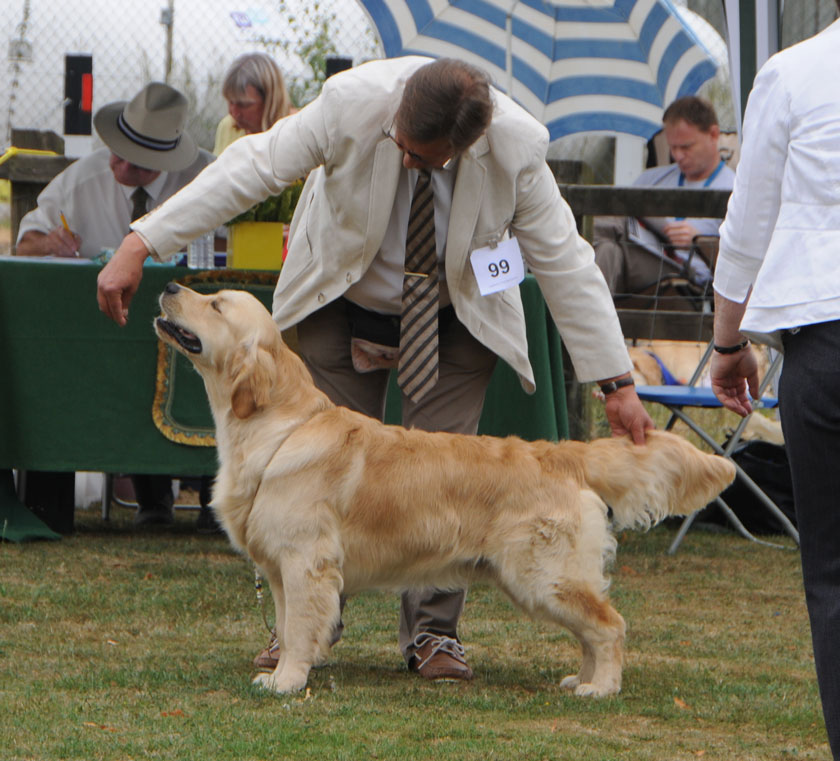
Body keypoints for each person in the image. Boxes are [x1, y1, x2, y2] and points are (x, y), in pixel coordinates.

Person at [96, 56, 654, 681]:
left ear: (464, 145)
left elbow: (566, 262)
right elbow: (248, 168)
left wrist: (617, 382)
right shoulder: (348, 104)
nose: (407, 161)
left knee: (450, 480)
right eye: (401, 145)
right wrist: (141, 241)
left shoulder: (517, 146)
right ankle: (306, 635)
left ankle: (434, 636)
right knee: (310, 486)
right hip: (343, 298)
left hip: (455, 314)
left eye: (424, 158)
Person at [709, 14, 840, 758]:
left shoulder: (793, 74)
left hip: (827, 339)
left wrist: (729, 341)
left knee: (833, 568)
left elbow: (749, 221)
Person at [17, 81, 214, 528]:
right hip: (110, 329)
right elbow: (23, 243)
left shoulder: (209, 179)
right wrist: (47, 242)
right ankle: (150, 498)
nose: (119, 166)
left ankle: (213, 499)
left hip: (194, 320)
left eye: (138, 164)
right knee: (125, 367)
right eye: (116, 152)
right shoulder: (83, 178)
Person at [593, 96, 735, 300]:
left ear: (713, 135)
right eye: (673, 147)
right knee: (608, 249)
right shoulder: (652, 178)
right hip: (637, 260)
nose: (678, 156)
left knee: (612, 222)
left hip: (688, 276)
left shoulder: (733, 187)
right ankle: (598, 326)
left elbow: (741, 257)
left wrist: (698, 240)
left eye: (686, 147)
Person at [213, 52, 294, 156]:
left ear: (270, 101)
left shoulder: (295, 131)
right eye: (230, 101)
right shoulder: (228, 127)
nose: (234, 112)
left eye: (243, 105)